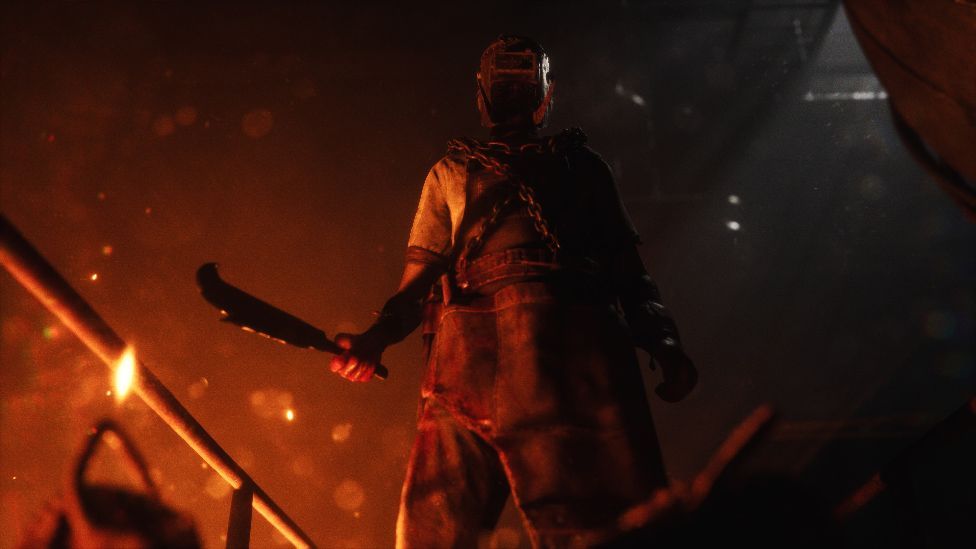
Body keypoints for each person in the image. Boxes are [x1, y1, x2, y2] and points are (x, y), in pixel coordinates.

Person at [329, 34, 697, 548]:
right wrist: (663, 342)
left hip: (469, 361)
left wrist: (375, 339)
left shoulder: (453, 172)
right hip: (574, 357)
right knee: (604, 530)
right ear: (547, 97)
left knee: (435, 528)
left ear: (481, 99)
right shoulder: (581, 167)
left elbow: (415, 290)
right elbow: (629, 276)